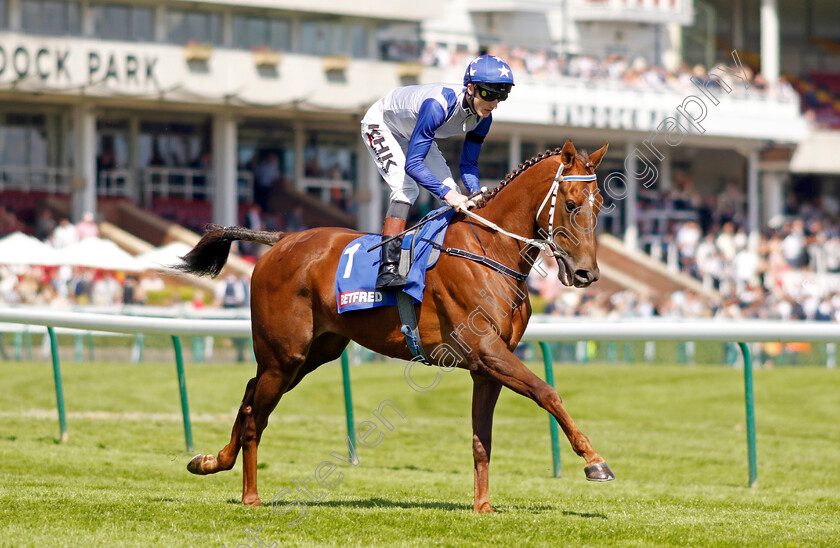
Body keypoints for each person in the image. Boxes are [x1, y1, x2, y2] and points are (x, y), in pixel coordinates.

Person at [361, 54, 514, 290]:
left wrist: (473, 192)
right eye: (489, 94)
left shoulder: (484, 117)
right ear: (471, 88)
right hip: (383, 124)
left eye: (502, 96)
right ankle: (388, 267)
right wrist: (447, 194)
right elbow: (413, 165)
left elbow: (468, 165)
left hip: (414, 132)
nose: (494, 103)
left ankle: (445, 260)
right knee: (406, 189)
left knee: (455, 195)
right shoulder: (438, 105)